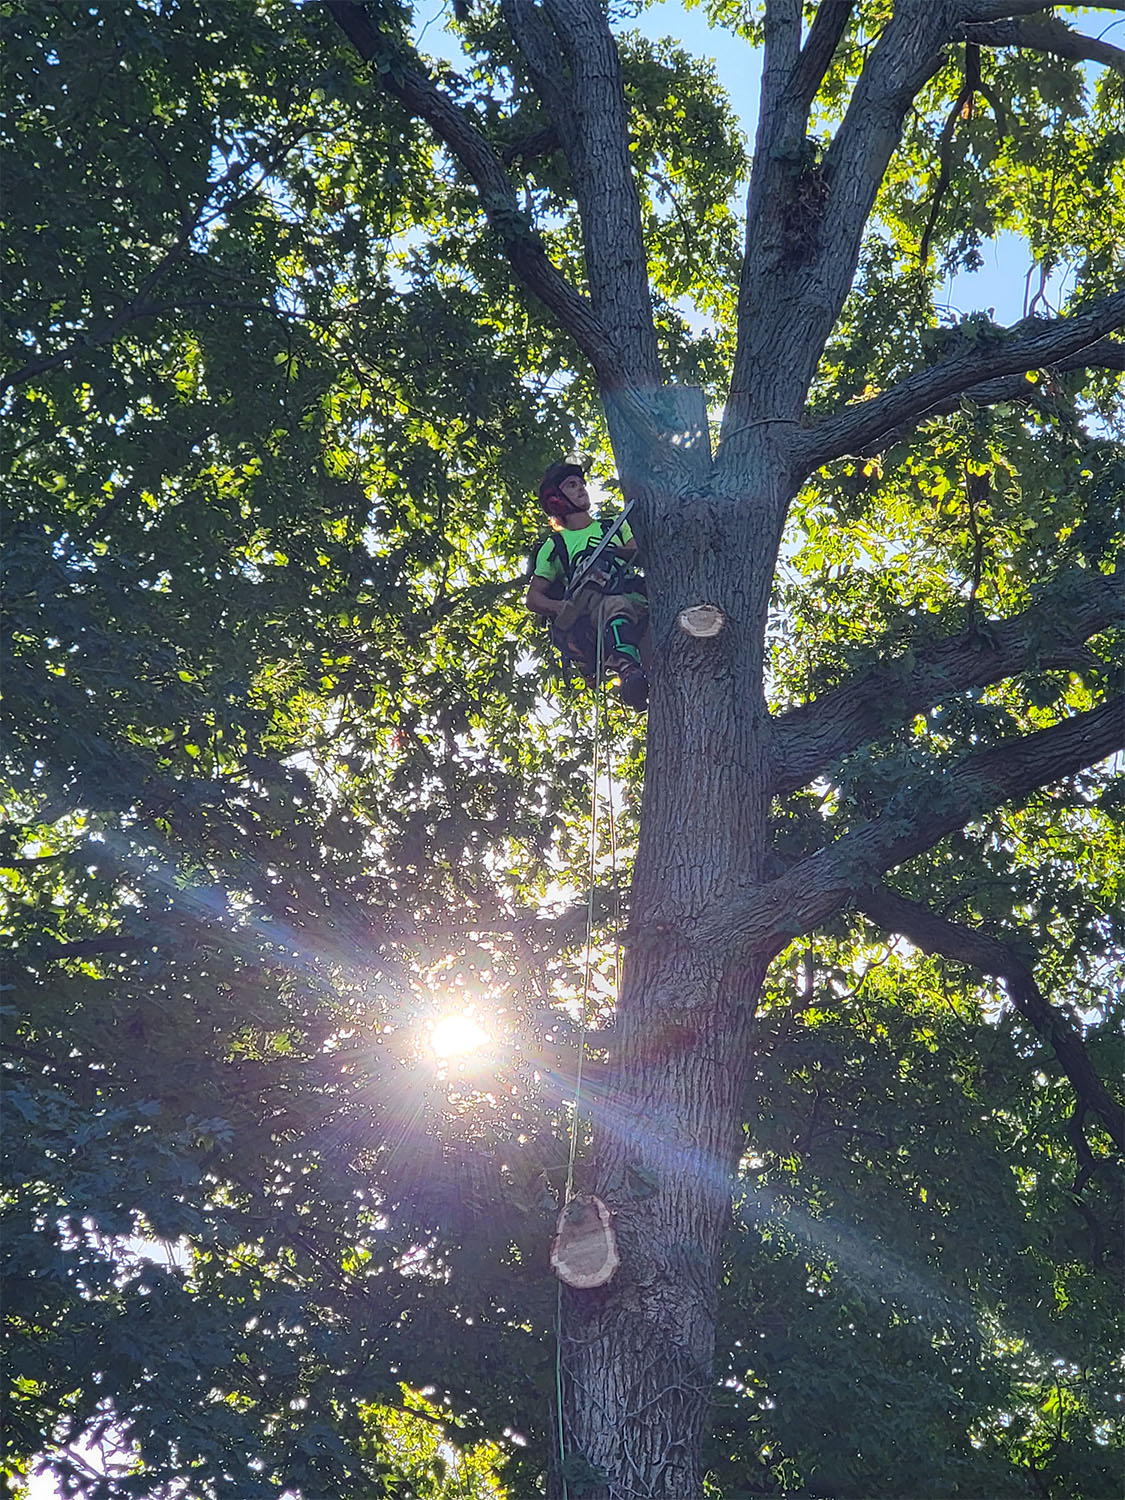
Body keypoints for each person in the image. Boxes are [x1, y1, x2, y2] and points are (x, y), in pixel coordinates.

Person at [525, 462, 649, 709]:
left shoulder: (612, 526)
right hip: (590, 611)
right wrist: (561, 607)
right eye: (572, 485)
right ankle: (626, 668)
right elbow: (533, 598)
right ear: (557, 499)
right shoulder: (556, 546)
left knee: (626, 605)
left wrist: (612, 553)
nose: (582, 489)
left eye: (581, 483)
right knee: (613, 604)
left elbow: (638, 553)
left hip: (632, 599)